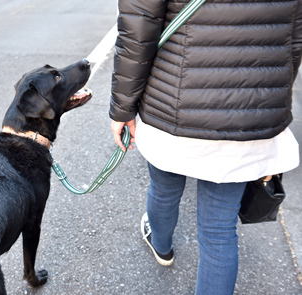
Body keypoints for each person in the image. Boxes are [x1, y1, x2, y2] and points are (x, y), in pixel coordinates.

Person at [109, 0, 302, 294]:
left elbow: (138, 30)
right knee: (219, 231)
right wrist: (271, 96)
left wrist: (122, 109)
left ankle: (161, 246)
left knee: (164, 188)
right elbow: (294, 37)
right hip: (251, 111)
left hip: (172, 104)